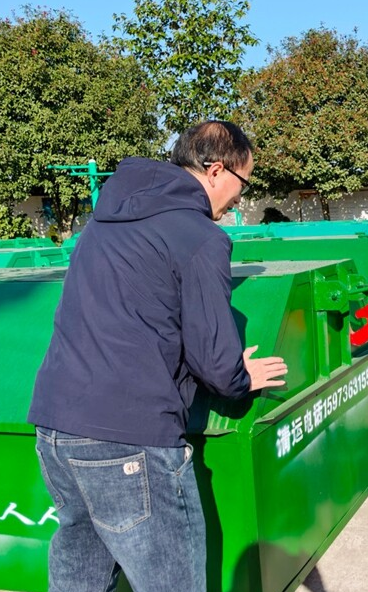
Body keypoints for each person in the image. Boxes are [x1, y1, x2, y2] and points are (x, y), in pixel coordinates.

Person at [28, 121, 287, 592]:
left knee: (80, 578)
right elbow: (214, 360)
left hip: (55, 429)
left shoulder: (105, 220)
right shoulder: (200, 237)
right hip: (130, 439)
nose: (238, 199)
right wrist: (240, 376)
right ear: (214, 170)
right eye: (242, 183)